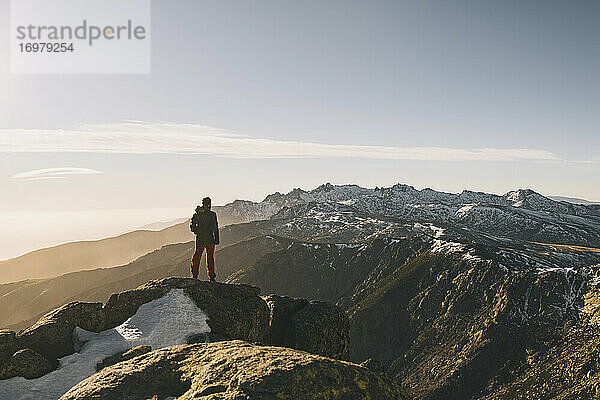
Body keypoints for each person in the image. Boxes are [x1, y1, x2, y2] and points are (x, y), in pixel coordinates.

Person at [190, 197, 220, 281]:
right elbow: (215, 227)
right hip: (210, 239)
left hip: (200, 239)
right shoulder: (212, 214)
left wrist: (197, 232)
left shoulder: (197, 214)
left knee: (197, 257)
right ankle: (211, 277)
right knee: (210, 258)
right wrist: (216, 239)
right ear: (209, 204)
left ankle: (194, 276)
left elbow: (192, 227)